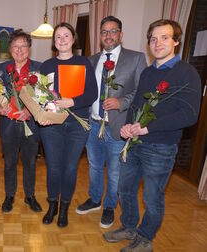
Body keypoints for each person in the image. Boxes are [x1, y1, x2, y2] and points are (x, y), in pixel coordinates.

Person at [103, 19, 201, 251]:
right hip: (134, 143)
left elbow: (189, 115)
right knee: (124, 189)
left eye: (165, 37)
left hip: (161, 147)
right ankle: (128, 226)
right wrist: (127, 127)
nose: (158, 43)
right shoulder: (147, 72)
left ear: (176, 41)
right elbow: (136, 105)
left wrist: (148, 128)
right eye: (153, 39)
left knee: (151, 198)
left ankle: (145, 239)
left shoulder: (187, 73)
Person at [76, 16, 147, 228]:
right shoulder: (91, 60)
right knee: (95, 166)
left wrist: (121, 102)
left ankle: (109, 206)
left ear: (121, 35)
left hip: (118, 126)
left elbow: (142, 91)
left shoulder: (136, 58)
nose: (108, 35)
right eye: (104, 32)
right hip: (94, 124)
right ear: (100, 36)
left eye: (113, 31)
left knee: (115, 170)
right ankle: (95, 199)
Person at [39, 22, 98, 227]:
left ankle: (64, 207)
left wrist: (72, 101)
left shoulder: (84, 63)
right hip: (52, 125)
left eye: (66, 36)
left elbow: (92, 94)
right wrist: (42, 114)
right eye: (58, 37)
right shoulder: (46, 66)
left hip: (77, 124)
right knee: (54, 168)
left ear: (73, 39)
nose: (62, 40)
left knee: (70, 168)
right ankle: (52, 204)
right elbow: (41, 97)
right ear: (54, 42)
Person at [0, 29, 42, 213]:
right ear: (10, 50)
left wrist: (31, 111)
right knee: (9, 162)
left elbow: (44, 98)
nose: (19, 50)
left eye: (23, 46)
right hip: (9, 124)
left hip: (31, 124)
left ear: (29, 49)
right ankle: (9, 195)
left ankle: (30, 196)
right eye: (15, 47)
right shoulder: (2, 69)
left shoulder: (39, 69)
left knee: (30, 163)